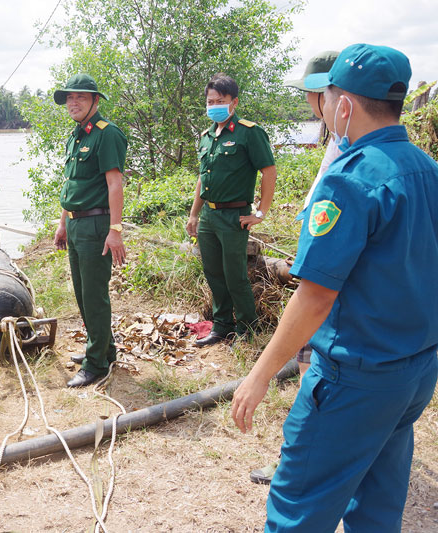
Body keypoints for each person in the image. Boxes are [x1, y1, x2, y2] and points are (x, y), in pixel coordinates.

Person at [231, 43, 438, 531]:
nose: (322, 107)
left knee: (297, 507)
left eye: (325, 97)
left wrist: (259, 375)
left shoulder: (350, 180)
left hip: (355, 376)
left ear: (342, 105)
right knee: (377, 505)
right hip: (414, 371)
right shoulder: (428, 170)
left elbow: (316, 294)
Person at [249, 50, 340, 485]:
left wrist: (259, 375)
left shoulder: (349, 154)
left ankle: (296, 459)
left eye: (310, 94)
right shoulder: (343, 142)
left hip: (327, 295)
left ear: (329, 96)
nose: (307, 102)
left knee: (311, 378)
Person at [186, 74, 277, 346]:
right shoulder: (205, 137)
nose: (214, 105)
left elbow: (269, 171)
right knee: (213, 272)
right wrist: (194, 214)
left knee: (235, 275)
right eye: (210, 101)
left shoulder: (249, 132)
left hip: (235, 215)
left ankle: (248, 328)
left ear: (233, 102)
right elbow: (203, 177)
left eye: (220, 101)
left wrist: (261, 212)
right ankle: (222, 325)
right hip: (209, 216)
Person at [52, 74, 127, 388]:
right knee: (83, 293)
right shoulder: (76, 136)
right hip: (75, 222)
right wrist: (61, 223)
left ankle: (96, 364)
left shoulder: (106, 134)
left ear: (96, 101)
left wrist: (115, 229)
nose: (73, 102)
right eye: (69, 98)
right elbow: (72, 184)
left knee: (95, 294)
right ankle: (104, 349)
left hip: (97, 224)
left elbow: (114, 184)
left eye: (80, 97)